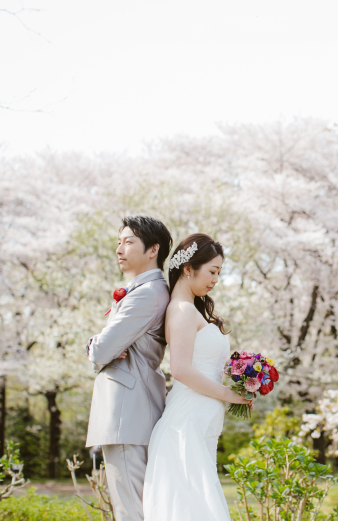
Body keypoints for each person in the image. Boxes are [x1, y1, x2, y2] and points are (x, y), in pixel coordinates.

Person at [143, 233, 251, 521]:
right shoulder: (180, 310)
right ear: (188, 268)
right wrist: (230, 395)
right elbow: (180, 369)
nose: (216, 280)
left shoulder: (191, 310)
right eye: (212, 271)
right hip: (186, 423)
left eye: (219, 273)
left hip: (201, 422)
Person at [85, 215, 172, 521]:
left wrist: (94, 345)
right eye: (118, 242)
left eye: (129, 242)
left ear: (153, 250)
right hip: (133, 410)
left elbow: (101, 350)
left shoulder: (147, 293)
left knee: (130, 510)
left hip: (126, 413)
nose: (119, 249)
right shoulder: (149, 291)